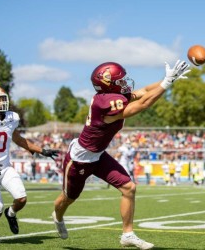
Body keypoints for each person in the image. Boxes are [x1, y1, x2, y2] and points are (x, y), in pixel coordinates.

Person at [52, 60, 190, 249]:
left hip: (98, 156)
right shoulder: (105, 102)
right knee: (69, 198)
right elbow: (142, 104)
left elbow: (143, 92)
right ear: (108, 83)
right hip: (79, 159)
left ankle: (128, 234)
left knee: (128, 188)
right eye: (120, 80)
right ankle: (58, 216)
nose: (125, 83)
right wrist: (166, 83)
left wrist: (168, 79)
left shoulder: (111, 95)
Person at [0, 85, 59, 244]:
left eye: (3, 98)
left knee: (22, 199)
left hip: (5, 166)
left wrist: (41, 150)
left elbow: (19, 140)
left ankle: (11, 213)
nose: (1, 102)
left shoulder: (11, 118)